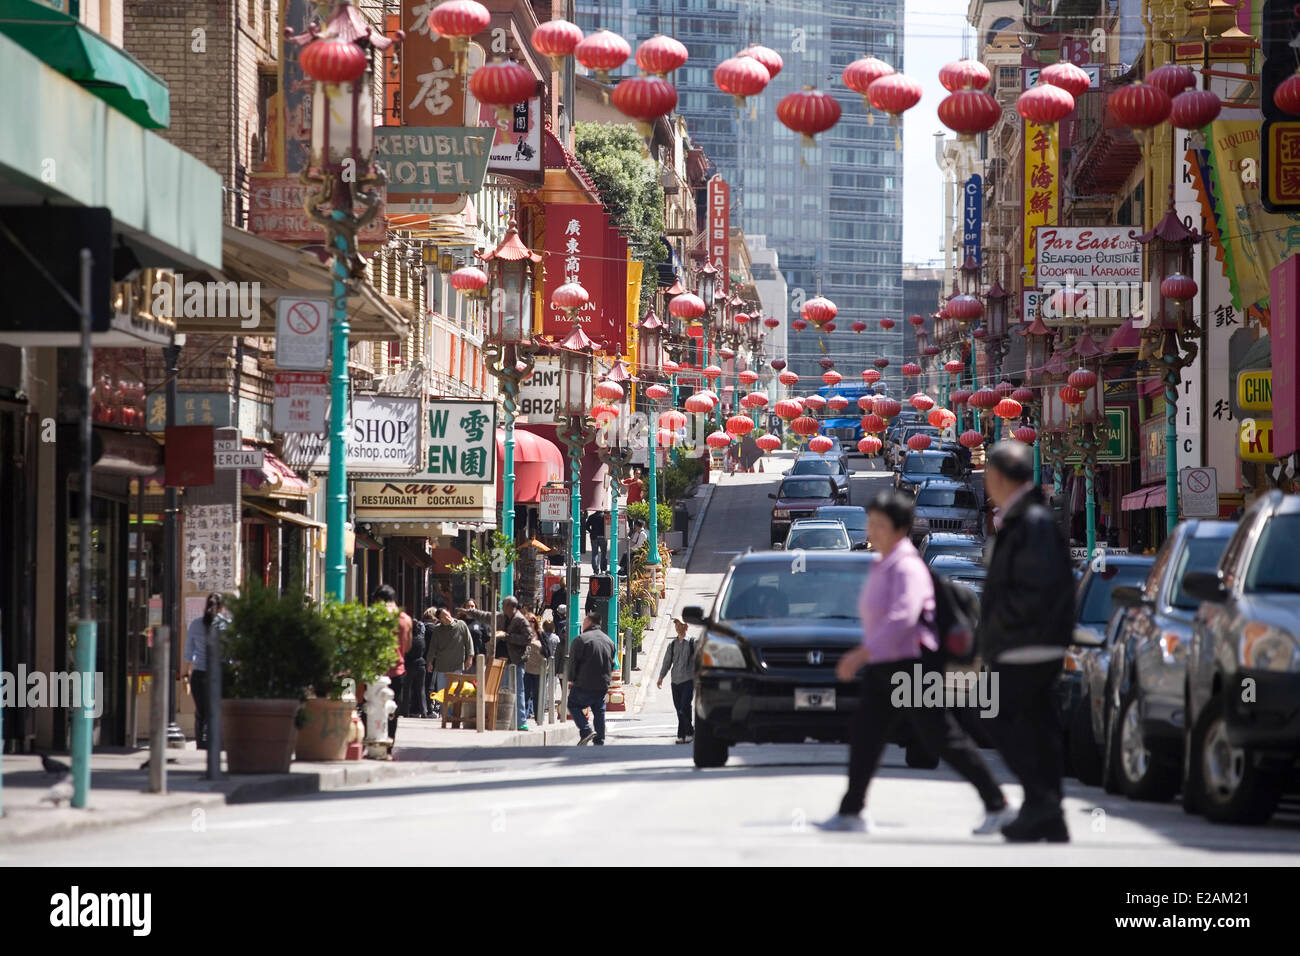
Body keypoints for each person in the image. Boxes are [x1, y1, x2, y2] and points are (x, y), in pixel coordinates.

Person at [819, 490, 1010, 835]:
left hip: (912, 666)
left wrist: (860, 653)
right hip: (888, 664)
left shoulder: (907, 566)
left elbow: (903, 616)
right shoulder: (885, 562)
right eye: (870, 524)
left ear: (901, 528)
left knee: (942, 739)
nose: (871, 531)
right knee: (866, 735)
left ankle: (997, 804)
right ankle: (851, 811)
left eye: (878, 525)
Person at [978, 441, 1075, 843]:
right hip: (1034, 642)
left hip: (1026, 644)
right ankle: (1049, 812)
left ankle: (1041, 801)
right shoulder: (1028, 518)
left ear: (1000, 477)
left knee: (994, 716)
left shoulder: (1030, 522)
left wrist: (997, 634)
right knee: (1039, 726)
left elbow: (1033, 589)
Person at [182, 593, 228, 749]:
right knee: (217, 709)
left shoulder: (195, 624)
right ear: (221, 608)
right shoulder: (226, 624)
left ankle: (201, 743)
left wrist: (185, 674)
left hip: (199, 674)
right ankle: (216, 742)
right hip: (219, 673)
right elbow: (232, 653)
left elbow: (189, 652)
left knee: (201, 712)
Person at [371, 585, 412, 748]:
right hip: (398, 670)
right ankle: (389, 745)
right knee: (393, 710)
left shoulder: (377, 616)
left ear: (380, 600)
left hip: (378, 669)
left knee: (372, 706)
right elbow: (408, 646)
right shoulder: (406, 619)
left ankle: (374, 741)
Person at [567, 611, 615, 745]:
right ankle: (600, 739)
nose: (582, 624)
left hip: (584, 682)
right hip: (602, 683)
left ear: (589, 622)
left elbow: (573, 662)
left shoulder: (581, 639)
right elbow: (612, 663)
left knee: (572, 704)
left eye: (584, 621)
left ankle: (586, 730)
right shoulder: (609, 641)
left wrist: (572, 678)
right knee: (599, 711)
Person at [425, 606, 473, 714]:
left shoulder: (461, 625)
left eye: (447, 615)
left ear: (449, 612)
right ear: (440, 620)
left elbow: (469, 642)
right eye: (443, 617)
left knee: (455, 692)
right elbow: (433, 647)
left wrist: (470, 657)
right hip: (442, 666)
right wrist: (429, 661)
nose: (447, 618)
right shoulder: (437, 630)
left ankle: (454, 715)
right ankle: (445, 715)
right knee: (443, 692)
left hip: (457, 665)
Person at [657, 618, 697, 743]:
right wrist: (661, 677)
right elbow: (667, 662)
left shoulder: (692, 643)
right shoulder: (672, 644)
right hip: (675, 681)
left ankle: (688, 732)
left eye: (681, 625)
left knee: (684, 706)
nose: (679, 627)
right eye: (677, 625)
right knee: (679, 708)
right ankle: (682, 735)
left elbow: (699, 660)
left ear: (686, 627)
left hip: (688, 680)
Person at [502, 596, 536, 730]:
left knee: (518, 690)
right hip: (503, 660)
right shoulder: (503, 618)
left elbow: (528, 638)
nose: (502, 607)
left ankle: (520, 721)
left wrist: (507, 637)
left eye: (504, 605)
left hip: (516, 661)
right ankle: (504, 719)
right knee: (504, 690)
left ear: (511, 607)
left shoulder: (520, 620)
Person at [404, 611, 430, 717]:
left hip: (410, 665)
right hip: (421, 665)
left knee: (407, 689)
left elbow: (406, 651)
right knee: (421, 689)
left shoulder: (409, 639)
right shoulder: (421, 638)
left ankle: (405, 710)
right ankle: (424, 711)